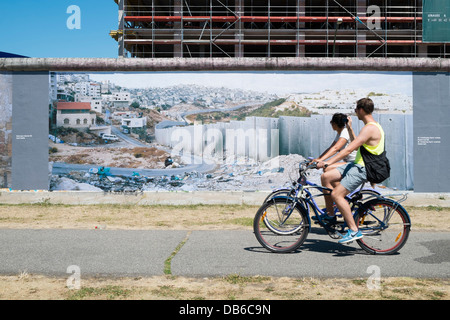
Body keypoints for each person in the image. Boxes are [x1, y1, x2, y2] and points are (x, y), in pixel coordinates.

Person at [316, 98, 385, 244]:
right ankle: (330, 214)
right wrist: (350, 129)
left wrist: (327, 162)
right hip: (356, 165)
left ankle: (354, 230)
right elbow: (357, 143)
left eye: (355, 109)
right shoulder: (371, 126)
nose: (355, 112)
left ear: (361, 110)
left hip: (361, 168)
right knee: (326, 177)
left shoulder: (370, 128)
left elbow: (349, 148)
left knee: (336, 194)